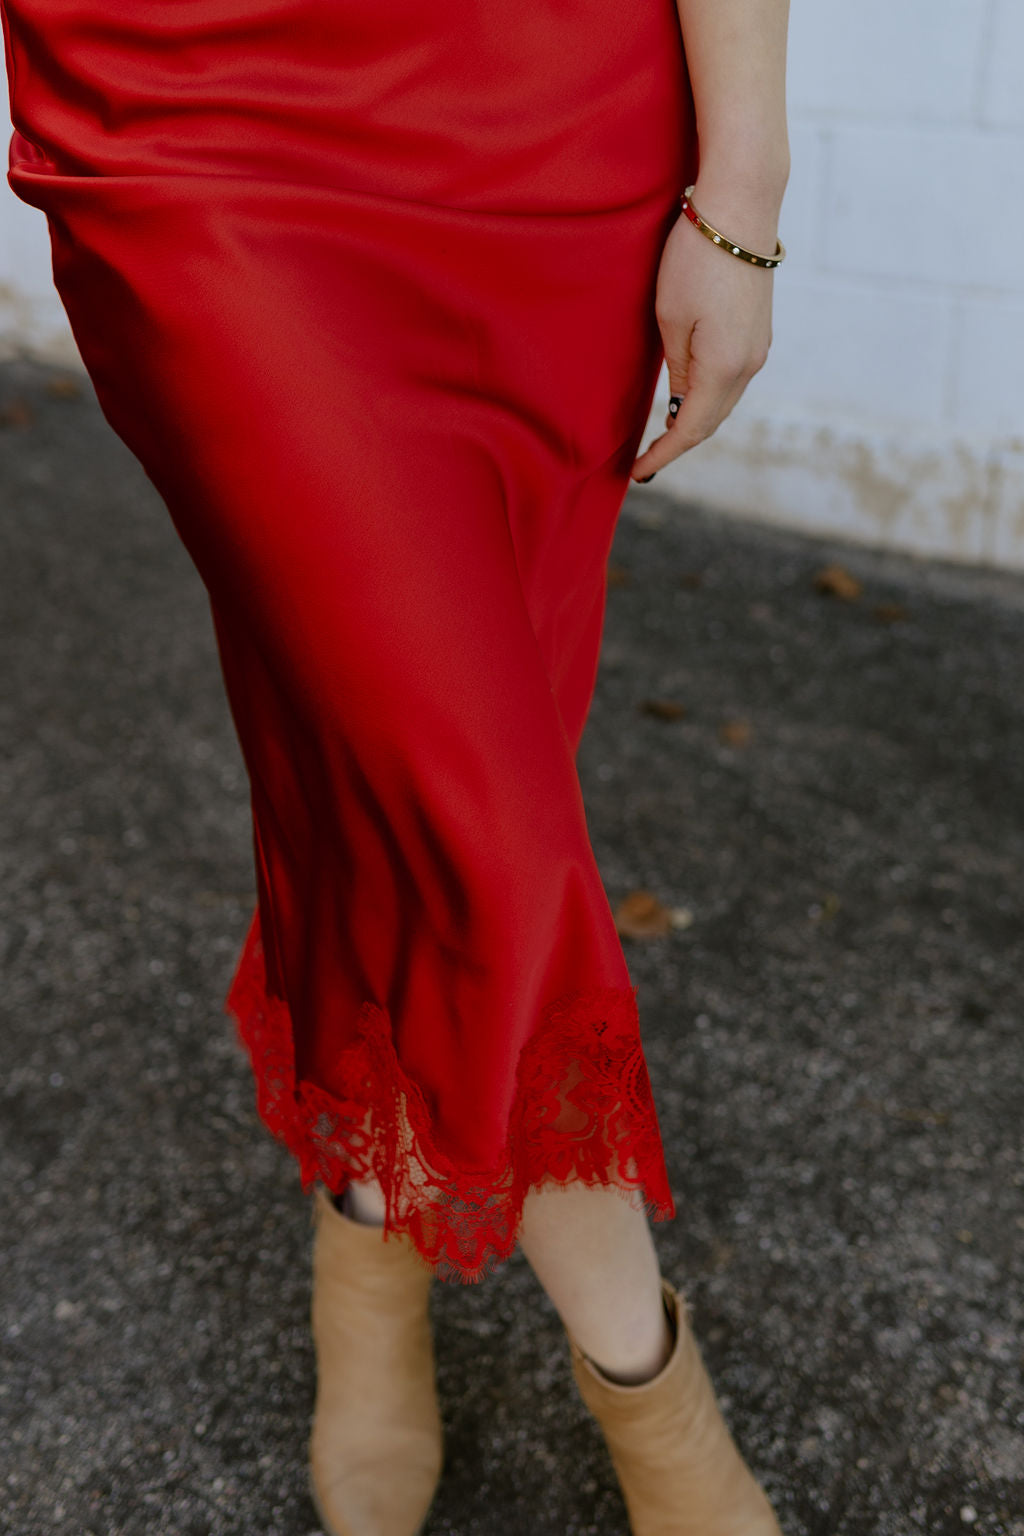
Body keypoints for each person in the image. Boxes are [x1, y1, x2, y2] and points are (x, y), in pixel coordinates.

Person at [1, 0, 791, 1530]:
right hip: (192, 115)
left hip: (552, 115)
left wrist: (743, 191)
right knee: (469, 810)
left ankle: (370, 1217)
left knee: (446, 753)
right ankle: (653, 1400)